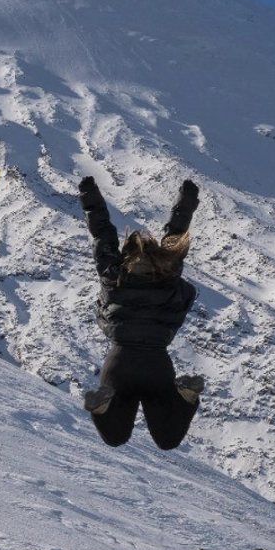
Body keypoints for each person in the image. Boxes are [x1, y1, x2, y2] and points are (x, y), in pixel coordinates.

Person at [78, 175, 203, 450]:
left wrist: (90, 199)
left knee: (116, 436)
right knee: (167, 439)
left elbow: (102, 233)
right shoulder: (168, 271)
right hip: (157, 363)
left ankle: (103, 406)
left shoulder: (114, 274)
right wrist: (187, 199)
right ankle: (184, 397)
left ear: (126, 252)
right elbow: (176, 231)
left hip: (119, 361)